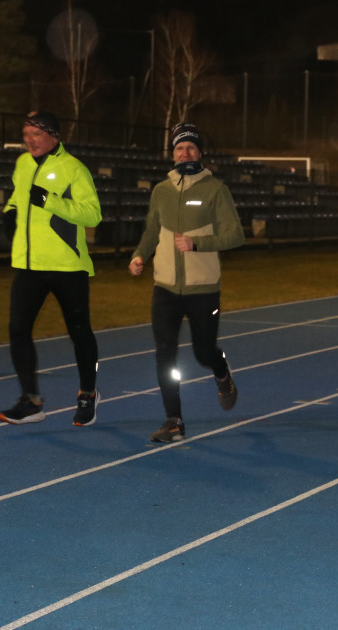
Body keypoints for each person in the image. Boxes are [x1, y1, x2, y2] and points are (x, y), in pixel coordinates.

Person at [129, 122, 245, 442]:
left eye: (191, 147)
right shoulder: (161, 191)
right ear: (173, 155)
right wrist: (140, 255)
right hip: (164, 287)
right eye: (180, 148)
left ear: (200, 153)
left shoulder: (215, 190)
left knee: (203, 352)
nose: (185, 153)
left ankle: (221, 373)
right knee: (165, 354)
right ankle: (174, 420)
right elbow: (152, 231)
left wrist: (196, 244)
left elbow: (235, 235)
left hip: (202, 289)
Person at [0, 111, 102, 427]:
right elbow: (18, 198)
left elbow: (92, 215)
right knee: (18, 330)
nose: (29, 140)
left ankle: (87, 394)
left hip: (67, 266)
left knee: (80, 332)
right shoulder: (23, 164)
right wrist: (9, 212)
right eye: (25, 133)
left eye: (36, 134)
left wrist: (51, 200)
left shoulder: (74, 168)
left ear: (54, 135)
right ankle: (31, 400)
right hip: (29, 265)